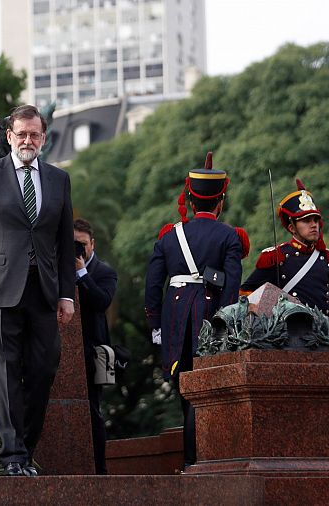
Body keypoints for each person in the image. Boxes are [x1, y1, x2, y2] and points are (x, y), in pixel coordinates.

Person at [0, 104, 76, 477]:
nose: (28, 140)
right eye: (21, 134)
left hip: (43, 291)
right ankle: (13, 457)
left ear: (43, 137)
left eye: (34, 134)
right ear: (9, 136)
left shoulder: (58, 179)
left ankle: (26, 446)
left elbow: (64, 241)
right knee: (6, 373)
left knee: (43, 369)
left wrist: (67, 295)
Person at [144, 152, 244, 469]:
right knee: (207, 393)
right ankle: (200, 461)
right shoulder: (230, 236)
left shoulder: (168, 235)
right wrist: (223, 323)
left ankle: (191, 463)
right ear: (221, 200)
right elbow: (231, 287)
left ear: (189, 196)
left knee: (185, 390)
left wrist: (156, 325)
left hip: (175, 319)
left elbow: (152, 286)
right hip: (211, 319)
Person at [240, 179, 329, 327]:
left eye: (316, 220)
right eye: (306, 220)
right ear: (291, 227)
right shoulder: (277, 257)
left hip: (322, 339)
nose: (314, 225)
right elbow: (246, 296)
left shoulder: (328, 259)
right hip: (286, 338)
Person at [74, 218, 117, 475]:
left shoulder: (104, 272)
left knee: (93, 411)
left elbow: (101, 302)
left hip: (93, 352)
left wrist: (82, 272)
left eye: (82, 245)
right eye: (73, 244)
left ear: (92, 244)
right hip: (66, 350)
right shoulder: (59, 267)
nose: (78, 250)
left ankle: (99, 471)